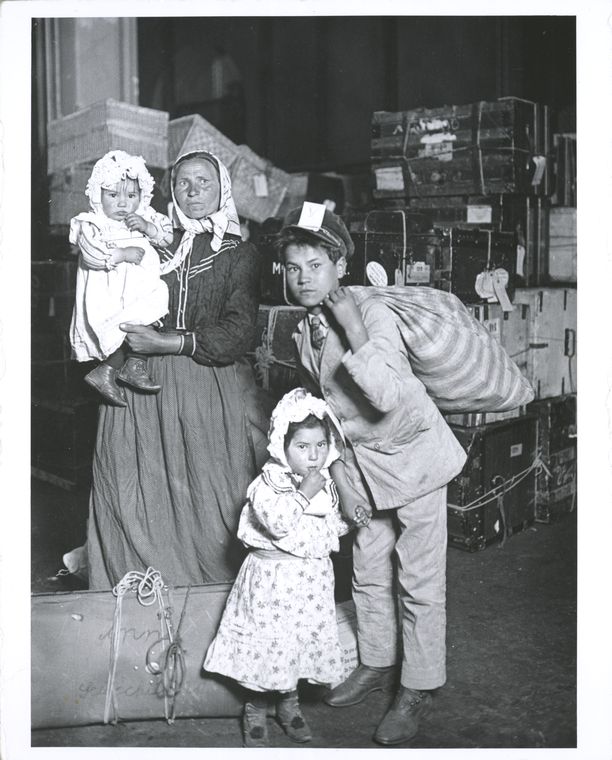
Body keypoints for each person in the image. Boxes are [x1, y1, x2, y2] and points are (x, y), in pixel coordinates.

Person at [275, 202, 468, 745]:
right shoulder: (303, 328)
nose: (303, 278)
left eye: (315, 265)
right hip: (364, 468)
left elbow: (383, 393)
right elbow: (326, 414)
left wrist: (354, 325)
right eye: (293, 268)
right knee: (366, 569)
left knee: (419, 580)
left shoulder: (372, 311)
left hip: (415, 459)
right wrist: (340, 480)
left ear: (340, 264)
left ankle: (419, 686)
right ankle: (378, 662)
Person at [86, 149, 262, 589]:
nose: (193, 191)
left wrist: (168, 341)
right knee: (131, 486)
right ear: (171, 191)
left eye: (204, 182)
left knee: (207, 494)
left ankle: (208, 600)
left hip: (201, 381)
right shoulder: (152, 241)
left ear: (223, 189)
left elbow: (240, 330)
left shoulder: (240, 254)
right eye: (184, 183)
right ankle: (134, 594)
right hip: (136, 382)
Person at [203, 388, 360, 747]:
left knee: (296, 645)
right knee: (269, 646)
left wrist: (349, 518)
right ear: (282, 445)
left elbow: (326, 527)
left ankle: (289, 705)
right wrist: (303, 493)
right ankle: (256, 707)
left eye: (320, 446)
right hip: (272, 583)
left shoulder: (324, 484)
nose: (313, 456)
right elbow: (278, 523)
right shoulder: (268, 484)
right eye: (302, 447)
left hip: (309, 582)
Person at [69, 150, 172, 406]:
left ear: (142, 196)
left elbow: (167, 237)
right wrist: (121, 253)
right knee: (121, 326)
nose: (123, 203)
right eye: (113, 195)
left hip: (142, 288)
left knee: (150, 313)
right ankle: (107, 369)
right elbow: (91, 255)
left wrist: (148, 228)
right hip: (110, 292)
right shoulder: (92, 223)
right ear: (98, 195)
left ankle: (133, 365)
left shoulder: (145, 217)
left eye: (131, 195)